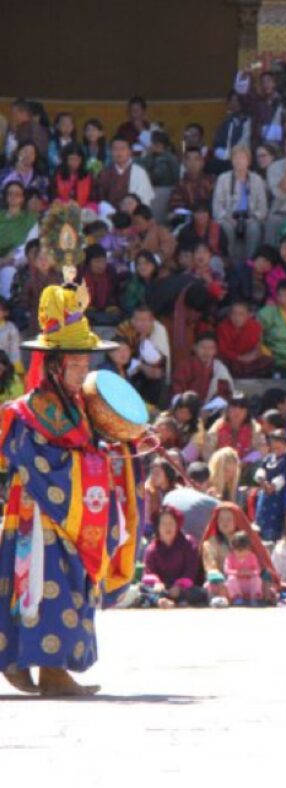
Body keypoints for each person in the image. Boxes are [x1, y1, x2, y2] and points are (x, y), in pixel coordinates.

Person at [0, 276, 140, 696]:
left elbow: (84, 452)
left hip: (74, 515)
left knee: (67, 585)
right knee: (44, 586)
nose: (83, 372)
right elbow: (39, 462)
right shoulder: (31, 412)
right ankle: (48, 669)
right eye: (75, 365)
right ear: (56, 366)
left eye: (85, 365)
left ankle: (33, 665)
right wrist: (96, 463)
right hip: (40, 517)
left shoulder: (77, 407)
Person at [201, 502, 279, 606]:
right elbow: (211, 566)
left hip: (250, 578)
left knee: (264, 581)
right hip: (225, 580)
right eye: (221, 519)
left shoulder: (246, 540)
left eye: (229, 519)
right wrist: (218, 576)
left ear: (236, 520)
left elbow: (261, 562)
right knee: (212, 585)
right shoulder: (210, 543)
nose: (225, 523)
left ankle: (258, 598)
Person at [140, 506, 206, 609]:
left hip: (183, 588)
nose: (168, 527)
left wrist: (179, 586)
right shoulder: (152, 549)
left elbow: (191, 570)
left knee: (200, 593)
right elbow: (148, 572)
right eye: (164, 524)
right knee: (142, 588)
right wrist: (157, 583)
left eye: (171, 523)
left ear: (177, 525)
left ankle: (160, 600)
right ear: (158, 527)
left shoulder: (188, 543)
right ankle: (160, 600)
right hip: (162, 589)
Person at [212, 145, 268, 263]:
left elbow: (262, 208)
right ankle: (230, 262)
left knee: (254, 228)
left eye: (242, 157)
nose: (238, 161)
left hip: (250, 217)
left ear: (248, 161)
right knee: (226, 227)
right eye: (235, 158)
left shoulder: (257, 180)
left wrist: (251, 218)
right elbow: (217, 206)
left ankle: (250, 262)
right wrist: (228, 217)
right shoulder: (223, 178)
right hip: (228, 217)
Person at [253, 429, 286, 542]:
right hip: (264, 492)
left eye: (279, 441)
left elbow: (283, 475)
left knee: (275, 523)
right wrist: (262, 481)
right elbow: (261, 469)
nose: (275, 444)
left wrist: (273, 486)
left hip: (278, 495)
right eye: (273, 441)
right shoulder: (268, 458)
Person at [216, 300, 274, 378]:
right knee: (221, 362)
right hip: (232, 359)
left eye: (241, 314)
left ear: (248, 315)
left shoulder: (255, 326)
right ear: (229, 315)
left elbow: (258, 345)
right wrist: (240, 358)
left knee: (269, 361)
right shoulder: (222, 327)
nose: (237, 318)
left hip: (249, 358)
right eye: (234, 314)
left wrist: (253, 355)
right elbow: (222, 349)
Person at [171, 332, 234, 402]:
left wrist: (209, 409)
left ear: (216, 350)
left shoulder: (219, 368)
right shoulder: (184, 366)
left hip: (210, 408)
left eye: (211, 348)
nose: (207, 352)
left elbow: (223, 394)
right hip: (186, 405)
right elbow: (177, 389)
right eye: (203, 347)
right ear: (195, 348)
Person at [96, 136, 155, 208]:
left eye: (122, 149)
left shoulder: (139, 173)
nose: (119, 152)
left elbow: (144, 200)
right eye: (115, 149)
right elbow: (100, 199)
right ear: (110, 151)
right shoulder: (104, 173)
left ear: (130, 151)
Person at [224, 532, 264, 606]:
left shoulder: (252, 557)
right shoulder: (230, 557)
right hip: (238, 583)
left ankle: (254, 597)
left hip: (249, 583)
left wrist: (251, 573)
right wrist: (237, 572)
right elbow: (227, 570)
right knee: (231, 579)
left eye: (244, 551)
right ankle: (237, 597)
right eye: (239, 551)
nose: (242, 554)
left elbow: (258, 569)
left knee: (257, 579)